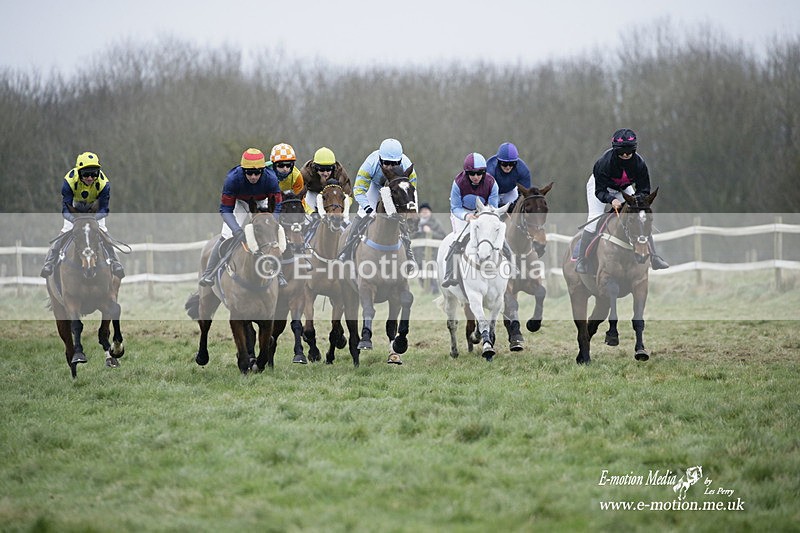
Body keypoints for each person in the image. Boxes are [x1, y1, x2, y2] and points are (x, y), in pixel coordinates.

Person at [575, 128, 669, 274]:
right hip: (600, 187)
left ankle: (655, 258)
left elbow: (644, 188)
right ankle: (582, 260)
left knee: (640, 217)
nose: (625, 155)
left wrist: (639, 202)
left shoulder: (639, 164)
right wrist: (611, 200)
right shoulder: (603, 163)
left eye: (629, 152)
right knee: (593, 220)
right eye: (621, 152)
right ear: (615, 150)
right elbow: (599, 191)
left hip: (623, 188)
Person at [199, 148, 283, 287]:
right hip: (240, 202)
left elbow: (278, 206)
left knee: (273, 234)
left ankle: (280, 275)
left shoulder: (271, 179)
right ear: (243, 171)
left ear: (263, 170)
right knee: (226, 235)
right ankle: (209, 273)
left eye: (257, 173)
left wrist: (273, 221)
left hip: (261, 202)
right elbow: (225, 209)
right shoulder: (232, 179)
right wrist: (236, 230)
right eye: (249, 173)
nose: (254, 176)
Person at [40, 151, 125, 279]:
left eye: (94, 174)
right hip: (75, 207)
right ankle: (50, 262)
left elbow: (104, 210)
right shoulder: (68, 181)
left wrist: (91, 219)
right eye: (86, 174)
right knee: (65, 231)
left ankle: (115, 262)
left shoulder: (104, 184)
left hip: (94, 210)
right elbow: (65, 209)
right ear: (79, 172)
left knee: (103, 231)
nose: (90, 178)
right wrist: (76, 220)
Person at [337, 138, 418, 262]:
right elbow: (359, 190)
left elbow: (411, 193)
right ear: (380, 160)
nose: (390, 168)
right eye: (386, 163)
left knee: (400, 218)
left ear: (400, 161)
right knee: (363, 213)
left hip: (396, 189)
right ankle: (348, 247)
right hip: (375, 186)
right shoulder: (370, 164)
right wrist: (369, 209)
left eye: (394, 164)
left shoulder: (408, 168)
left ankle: (408, 250)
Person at [441, 153, 499, 288]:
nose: (476, 177)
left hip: (483, 213)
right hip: (462, 213)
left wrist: (482, 216)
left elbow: (493, 208)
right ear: (466, 173)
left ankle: (511, 265)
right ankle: (450, 273)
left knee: (495, 236)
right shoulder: (458, 183)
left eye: (480, 173)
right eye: (472, 173)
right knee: (457, 239)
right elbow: (455, 207)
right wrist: (467, 217)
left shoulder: (492, 183)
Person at [299, 146, 352, 215]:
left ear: (333, 167)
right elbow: (298, 196)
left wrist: (340, 208)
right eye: (322, 169)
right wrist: (310, 212)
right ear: (315, 167)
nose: (325, 173)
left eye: (329, 169)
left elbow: (348, 196)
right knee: (308, 217)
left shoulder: (340, 173)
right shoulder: (306, 173)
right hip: (312, 193)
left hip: (332, 195)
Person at [485, 142, 532, 207]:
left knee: (518, 207)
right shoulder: (490, 169)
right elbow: (485, 192)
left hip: (510, 191)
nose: (508, 167)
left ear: (516, 162)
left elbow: (525, 193)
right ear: (498, 161)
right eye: (504, 163)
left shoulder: (523, 170)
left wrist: (515, 204)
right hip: (493, 193)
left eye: (512, 163)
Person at [269, 142, 307, 209]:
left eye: (288, 165)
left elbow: (300, 199)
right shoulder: (265, 173)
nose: (285, 169)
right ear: (273, 165)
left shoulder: (297, 176)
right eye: (281, 165)